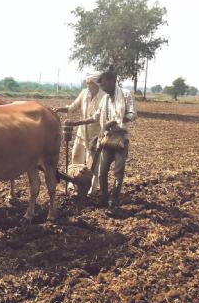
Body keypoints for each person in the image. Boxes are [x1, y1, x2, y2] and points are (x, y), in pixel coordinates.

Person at [64, 70, 137, 207]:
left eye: (104, 85)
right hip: (106, 139)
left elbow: (133, 115)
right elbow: (95, 117)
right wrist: (76, 123)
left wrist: (116, 121)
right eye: (101, 86)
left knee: (118, 172)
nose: (103, 88)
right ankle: (104, 197)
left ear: (112, 81)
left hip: (121, 139)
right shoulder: (105, 99)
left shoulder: (126, 95)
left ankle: (113, 200)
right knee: (102, 172)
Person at [53, 73, 105, 193]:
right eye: (87, 83)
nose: (88, 86)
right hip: (82, 134)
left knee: (92, 164)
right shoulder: (84, 93)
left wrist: (76, 123)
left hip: (95, 135)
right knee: (76, 158)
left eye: (90, 83)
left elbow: (95, 118)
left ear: (96, 84)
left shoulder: (104, 97)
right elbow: (73, 107)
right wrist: (60, 109)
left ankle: (91, 189)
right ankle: (73, 183)